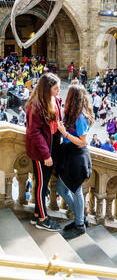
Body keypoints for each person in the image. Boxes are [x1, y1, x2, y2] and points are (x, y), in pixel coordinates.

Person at [25, 73, 62, 231]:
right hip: (42, 153)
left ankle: (36, 215)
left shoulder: (53, 99)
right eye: (56, 88)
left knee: (43, 183)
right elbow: (34, 132)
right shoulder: (36, 105)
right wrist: (46, 154)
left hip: (51, 148)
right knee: (41, 185)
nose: (59, 90)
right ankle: (42, 219)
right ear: (47, 89)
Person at [56, 84, 93, 239]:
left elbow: (82, 142)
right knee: (61, 189)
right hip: (69, 155)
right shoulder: (71, 113)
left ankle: (79, 225)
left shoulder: (81, 117)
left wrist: (64, 133)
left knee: (75, 190)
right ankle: (80, 218)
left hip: (77, 157)